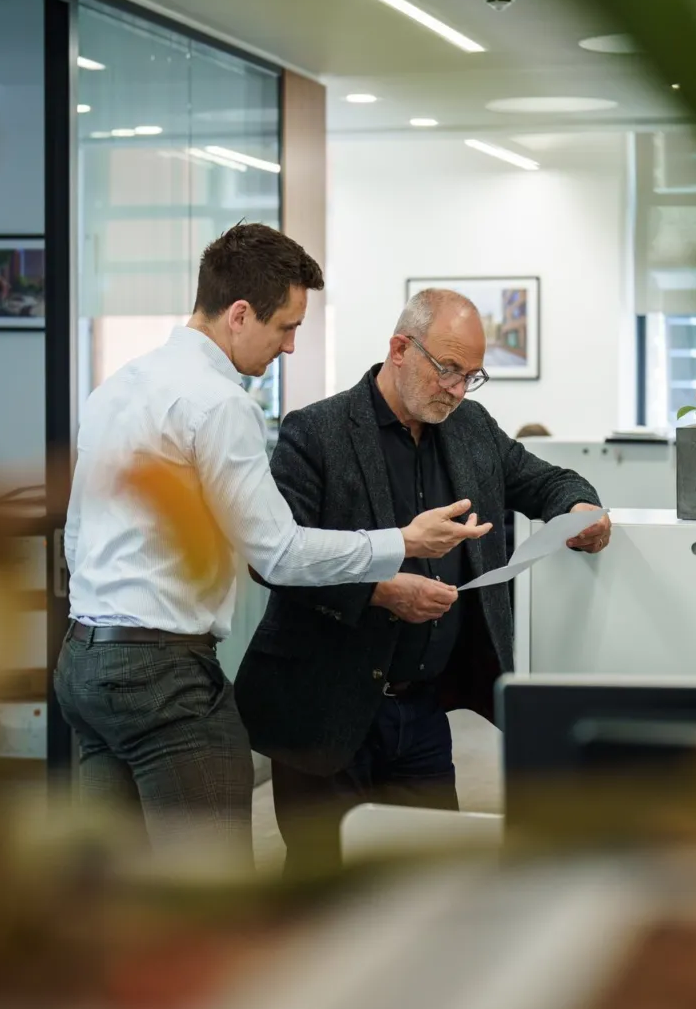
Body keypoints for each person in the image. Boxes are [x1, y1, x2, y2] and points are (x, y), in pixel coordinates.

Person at [53, 225, 490, 867]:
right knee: (215, 889)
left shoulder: (118, 386)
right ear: (238, 315)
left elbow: (77, 533)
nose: (290, 347)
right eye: (286, 327)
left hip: (84, 661)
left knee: (118, 886)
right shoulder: (218, 403)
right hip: (164, 678)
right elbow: (277, 554)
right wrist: (401, 541)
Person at [234, 288, 613, 875]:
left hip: (423, 711)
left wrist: (583, 508)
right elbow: (275, 563)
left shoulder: (471, 428)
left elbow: (544, 480)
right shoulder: (317, 432)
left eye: (472, 376)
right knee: (324, 891)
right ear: (399, 349)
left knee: (435, 880)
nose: (458, 390)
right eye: (448, 370)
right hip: (327, 710)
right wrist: (380, 592)